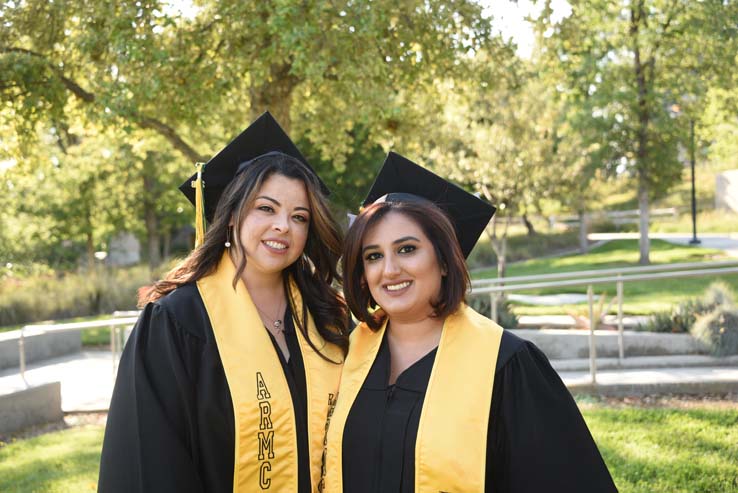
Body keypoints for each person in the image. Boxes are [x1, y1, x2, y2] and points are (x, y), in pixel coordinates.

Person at [322, 152, 617, 493]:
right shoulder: (349, 352)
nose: (389, 270)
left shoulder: (504, 363)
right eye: (373, 256)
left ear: (445, 260)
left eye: (407, 249)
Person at [98, 112, 349, 493]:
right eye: (266, 208)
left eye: (299, 217)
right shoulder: (177, 322)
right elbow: (151, 461)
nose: (284, 225)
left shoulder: (325, 316)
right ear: (231, 215)